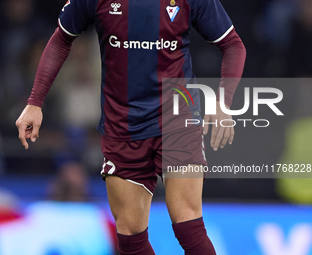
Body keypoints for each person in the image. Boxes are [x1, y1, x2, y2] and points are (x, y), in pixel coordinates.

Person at [15, 0, 246, 254]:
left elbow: (232, 44)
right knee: (130, 235)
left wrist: (224, 101)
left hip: (177, 119)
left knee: (187, 224)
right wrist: (34, 103)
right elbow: (61, 39)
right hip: (122, 125)